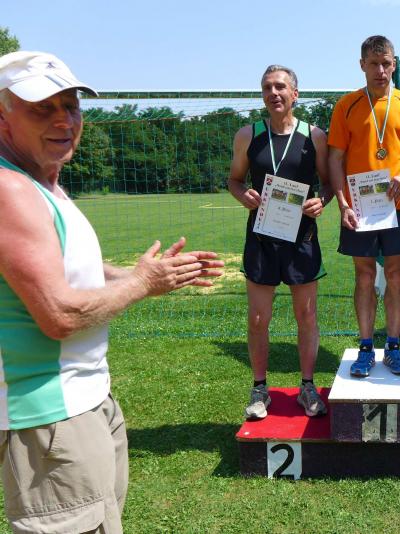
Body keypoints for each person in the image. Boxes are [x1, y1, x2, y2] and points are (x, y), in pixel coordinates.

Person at [0, 51, 223, 533]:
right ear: (3, 117)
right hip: (51, 419)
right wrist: (142, 283)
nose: (64, 120)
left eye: (71, 105)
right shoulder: (10, 190)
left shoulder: (41, 184)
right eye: (42, 107)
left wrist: (144, 275)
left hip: (84, 403)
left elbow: (68, 267)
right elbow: (60, 314)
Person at [228, 65, 330, 420]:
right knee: (258, 318)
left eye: (280, 87)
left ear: (295, 94)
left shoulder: (314, 135)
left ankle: (307, 386)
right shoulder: (248, 135)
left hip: (301, 237)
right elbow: (234, 180)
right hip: (262, 236)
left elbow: (328, 183)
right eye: (267, 87)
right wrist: (243, 194)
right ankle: (260, 389)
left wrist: (322, 200)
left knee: (307, 315)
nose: (273, 93)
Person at [328, 35, 400, 377]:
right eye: (373, 64)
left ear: (394, 64)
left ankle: (393, 347)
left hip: (399, 204)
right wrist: (342, 203)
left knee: (396, 275)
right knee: (365, 275)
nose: (381, 71)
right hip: (359, 206)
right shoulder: (347, 105)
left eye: (386, 64)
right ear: (362, 65)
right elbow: (335, 158)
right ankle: (365, 348)